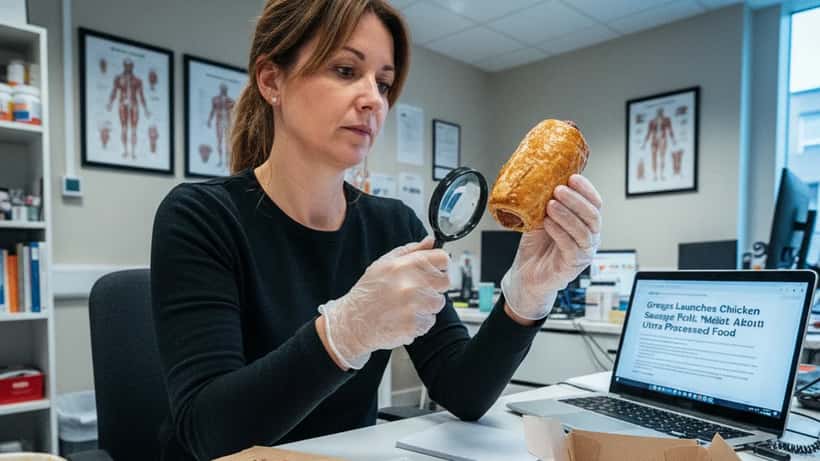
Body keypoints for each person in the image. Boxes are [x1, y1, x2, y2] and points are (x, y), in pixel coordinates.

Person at [150, 1, 603, 460]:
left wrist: (526, 298)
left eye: (384, 83)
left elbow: (463, 393)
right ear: (271, 81)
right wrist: (343, 334)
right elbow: (208, 433)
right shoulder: (200, 217)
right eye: (346, 70)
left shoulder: (392, 225)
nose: (374, 100)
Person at [106, 58, 150, 159]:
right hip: (123, 103)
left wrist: (146, 109)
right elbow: (114, 92)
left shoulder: (137, 80)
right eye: (126, 65)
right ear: (124, 65)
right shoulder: (118, 78)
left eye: (130, 65)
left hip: (134, 104)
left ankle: (133, 152)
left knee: (134, 129)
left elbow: (141, 95)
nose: (128, 67)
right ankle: (125, 151)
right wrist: (110, 103)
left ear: (132, 66)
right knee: (124, 128)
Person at [641, 107, 676, 181]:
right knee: (654, 158)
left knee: (662, 158)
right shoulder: (652, 121)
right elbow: (649, 132)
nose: (660, 114)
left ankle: (662, 174)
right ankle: (655, 175)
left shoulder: (666, 120)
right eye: (658, 112)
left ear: (663, 113)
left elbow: (670, 130)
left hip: (662, 140)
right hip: (654, 140)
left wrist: (673, 140)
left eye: (661, 112)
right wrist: (644, 143)